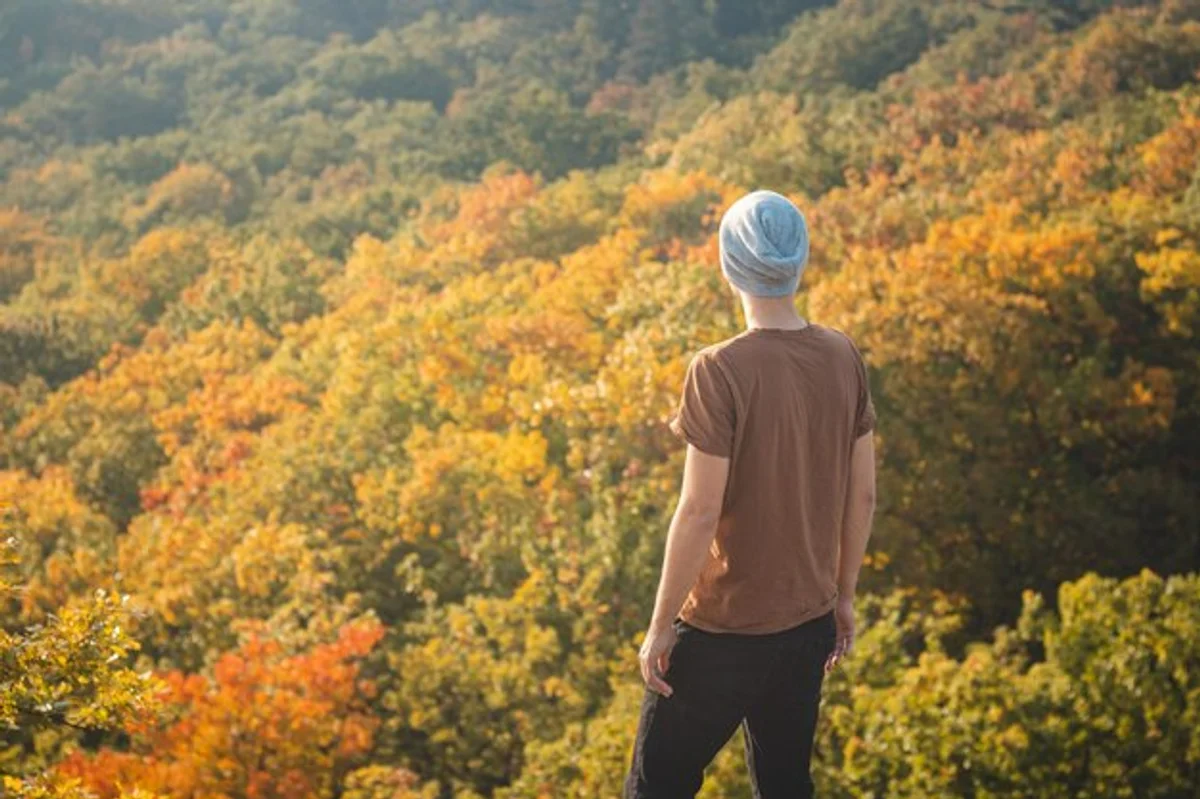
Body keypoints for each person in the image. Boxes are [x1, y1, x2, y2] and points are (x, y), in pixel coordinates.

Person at [624, 189, 877, 798]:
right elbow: (861, 497)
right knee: (787, 785)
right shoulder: (843, 355)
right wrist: (843, 597)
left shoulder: (718, 369)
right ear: (800, 260)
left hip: (722, 630)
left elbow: (699, 510)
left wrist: (660, 626)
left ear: (727, 264)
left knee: (657, 786)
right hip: (808, 620)